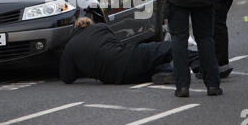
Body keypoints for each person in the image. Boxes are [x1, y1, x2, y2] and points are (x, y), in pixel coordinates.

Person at [59, 17, 200, 85]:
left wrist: (85, 67)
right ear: (88, 23)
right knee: (164, 48)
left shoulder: (70, 48)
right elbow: (116, 42)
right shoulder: (99, 27)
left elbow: (67, 77)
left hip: (114, 78)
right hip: (125, 57)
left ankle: (166, 72)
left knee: (147, 68)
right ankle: (199, 62)